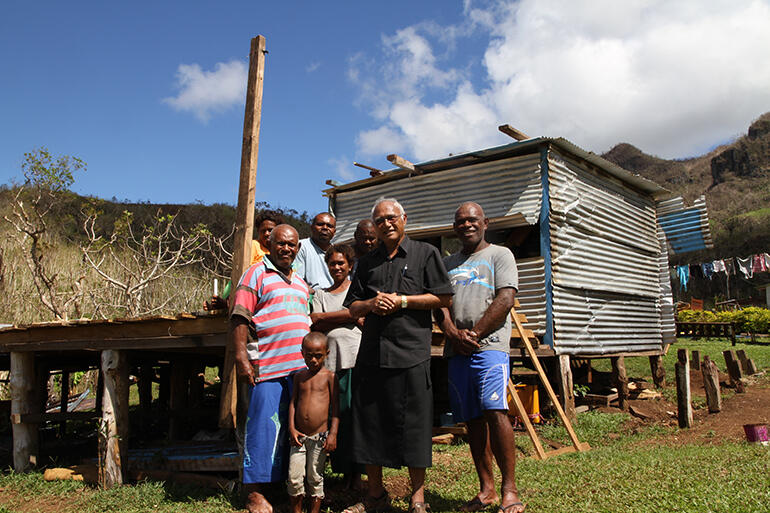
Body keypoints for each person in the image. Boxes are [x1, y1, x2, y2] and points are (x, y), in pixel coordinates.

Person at [343, 198, 453, 513]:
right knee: (370, 426)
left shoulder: (425, 254)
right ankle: (375, 497)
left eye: (391, 217)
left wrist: (403, 301)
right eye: (379, 220)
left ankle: (418, 499)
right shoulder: (366, 263)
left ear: (404, 218)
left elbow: (443, 296)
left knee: (416, 427)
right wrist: (370, 305)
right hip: (373, 355)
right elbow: (352, 306)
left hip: (412, 353)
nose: (386, 224)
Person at [435, 202, 525, 513]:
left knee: (495, 410)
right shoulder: (447, 264)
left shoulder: (500, 255)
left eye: (472, 220)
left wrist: (474, 334)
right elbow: (440, 304)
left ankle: (509, 490)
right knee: (472, 419)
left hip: (489, 347)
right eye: (460, 221)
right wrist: (451, 332)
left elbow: (506, 297)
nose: (466, 225)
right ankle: (486, 489)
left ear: (485, 222)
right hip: (456, 350)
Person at [230, 224, 311, 513]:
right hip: (268, 366)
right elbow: (240, 315)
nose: (286, 248)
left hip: (299, 371)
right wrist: (241, 357)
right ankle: (254, 493)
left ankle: (282, 488)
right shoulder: (255, 273)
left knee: (293, 431)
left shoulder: (301, 283)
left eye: (291, 244)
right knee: (263, 429)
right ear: (270, 245)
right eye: (281, 243)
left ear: (297, 249)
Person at [310, 244, 363, 489]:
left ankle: (357, 473)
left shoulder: (358, 290)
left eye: (341, 263)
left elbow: (364, 318)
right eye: (333, 263)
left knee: (355, 417)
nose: (337, 267)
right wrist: (349, 314)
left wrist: (329, 317)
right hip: (330, 365)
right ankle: (342, 471)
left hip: (355, 361)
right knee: (335, 417)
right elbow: (315, 323)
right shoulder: (321, 294)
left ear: (350, 265)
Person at [287, 332, 340, 513]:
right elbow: (293, 403)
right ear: (302, 353)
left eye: (318, 356)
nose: (314, 360)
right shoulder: (299, 377)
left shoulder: (330, 377)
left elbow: (336, 409)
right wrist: (292, 428)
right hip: (299, 437)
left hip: (320, 437)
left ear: (327, 353)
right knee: (294, 477)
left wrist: (332, 434)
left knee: (315, 476)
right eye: (309, 356)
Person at [204, 210, 284, 311]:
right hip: (243, 291)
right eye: (263, 231)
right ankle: (226, 304)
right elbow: (243, 274)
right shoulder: (253, 246)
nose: (266, 234)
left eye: (270, 230)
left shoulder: (281, 252)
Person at [294, 212, 336, 290]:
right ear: (312, 227)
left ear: (334, 232)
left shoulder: (338, 252)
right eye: (320, 224)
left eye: (329, 226)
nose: (325, 228)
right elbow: (297, 279)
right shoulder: (301, 246)